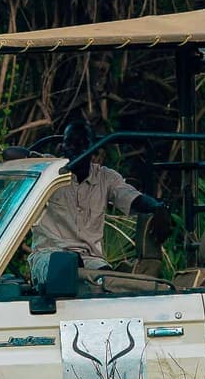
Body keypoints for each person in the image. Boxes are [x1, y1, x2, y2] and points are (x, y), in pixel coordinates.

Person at [21, 116, 157, 278]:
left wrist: (158, 207)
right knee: (66, 266)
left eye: (81, 144)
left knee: (106, 281)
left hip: (90, 258)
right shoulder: (48, 170)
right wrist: (30, 155)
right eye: (70, 143)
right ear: (62, 146)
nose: (74, 149)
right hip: (49, 256)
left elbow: (133, 197)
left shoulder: (105, 177)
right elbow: (11, 154)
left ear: (93, 149)